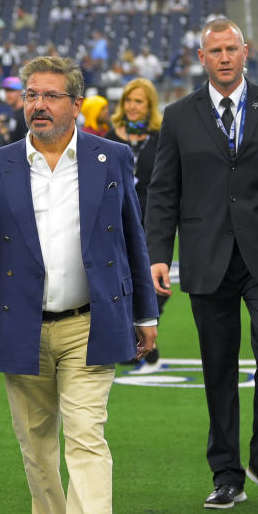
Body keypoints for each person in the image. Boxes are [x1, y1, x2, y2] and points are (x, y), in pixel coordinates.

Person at [0, 56, 158, 514]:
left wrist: (145, 310)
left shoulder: (112, 157)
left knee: (86, 434)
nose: (37, 104)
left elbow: (133, 236)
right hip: (20, 322)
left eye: (50, 96)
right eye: (30, 95)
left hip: (92, 321)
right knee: (36, 441)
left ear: (75, 105)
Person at [146, 18, 258, 512]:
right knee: (217, 368)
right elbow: (163, 192)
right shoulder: (178, 115)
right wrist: (159, 254)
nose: (224, 57)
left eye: (231, 49)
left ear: (247, 52)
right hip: (206, 258)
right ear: (200, 57)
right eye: (214, 50)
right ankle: (226, 474)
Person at [105, 77, 165, 363]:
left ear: (149, 105)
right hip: (115, 216)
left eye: (138, 101)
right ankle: (131, 340)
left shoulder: (160, 135)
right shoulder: (109, 135)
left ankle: (148, 328)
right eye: (128, 100)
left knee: (154, 281)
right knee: (121, 281)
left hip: (151, 216)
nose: (132, 106)